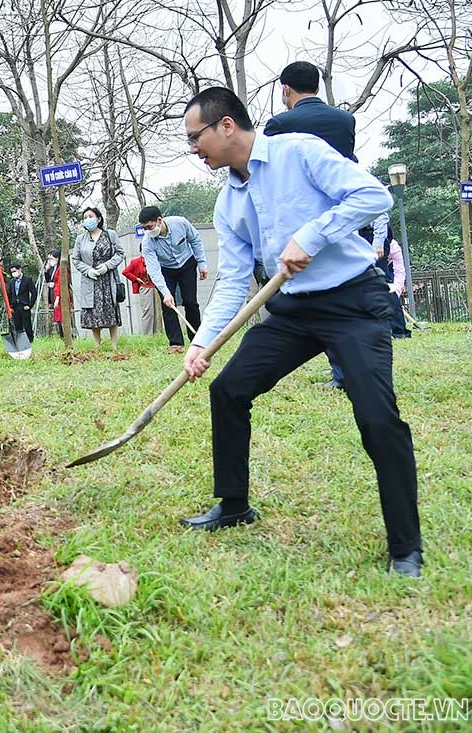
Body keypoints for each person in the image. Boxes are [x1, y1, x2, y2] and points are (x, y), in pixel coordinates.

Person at [179, 86, 422, 578]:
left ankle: (406, 547)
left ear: (226, 125)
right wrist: (203, 341)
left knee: (377, 417)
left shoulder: (300, 151)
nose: (193, 148)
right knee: (228, 389)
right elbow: (232, 280)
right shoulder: (228, 201)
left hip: (353, 302)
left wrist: (312, 234)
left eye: (195, 137)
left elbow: (373, 196)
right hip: (291, 312)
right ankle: (233, 505)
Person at [265, 60, 389, 387]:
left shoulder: (280, 124)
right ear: (317, 86)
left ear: (285, 89)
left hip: (303, 225)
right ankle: (349, 369)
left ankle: (336, 368)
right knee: (344, 287)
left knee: (316, 294)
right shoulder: (344, 119)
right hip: (345, 217)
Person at [138, 206, 208, 353]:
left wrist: (202, 263)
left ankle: (197, 340)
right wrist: (165, 292)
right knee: (168, 305)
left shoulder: (180, 223)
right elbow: (153, 269)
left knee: (190, 302)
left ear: (159, 220)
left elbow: (195, 240)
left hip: (187, 263)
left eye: (149, 227)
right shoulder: (147, 242)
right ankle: (176, 344)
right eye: (144, 228)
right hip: (165, 270)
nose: (147, 231)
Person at [72, 207, 124, 350]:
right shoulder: (80, 239)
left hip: (108, 278)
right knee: (94, 312)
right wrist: (88, 270)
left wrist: (107, 266)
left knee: (110, 309)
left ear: (99, 218)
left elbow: (120, 253)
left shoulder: (110, 235)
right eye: (85, 217)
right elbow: (76, 259)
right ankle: (97, 344)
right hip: (91, 279)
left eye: (91, 216)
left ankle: (114, 344)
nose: (88, 219)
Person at [121, 256, 159, 336]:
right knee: (148, 311)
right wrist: (136, 279)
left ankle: (156, 333)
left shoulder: (154, 259)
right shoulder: (136, 262)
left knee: (156, 311)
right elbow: (125, 272)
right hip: (145, 287)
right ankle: (147, 334)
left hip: (156, 287)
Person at [6, 261, 37, 342]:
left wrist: (30, 305)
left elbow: (34, 293)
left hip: (24, 306)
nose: (13, 273)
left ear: (19, 270)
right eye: (12, 272)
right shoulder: (11, 282)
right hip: (15, 306)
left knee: (27, 325)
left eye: (15, 271)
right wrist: (10, 306)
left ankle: (30, 340)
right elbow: (9, 294)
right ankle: (20, 342)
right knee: (17, 325)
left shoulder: (27, 280)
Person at [43, 249, 64, 339]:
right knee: (57, 317)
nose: (50, 261)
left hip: (60, 294)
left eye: (51, 259)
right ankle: (61, 335)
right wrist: (46, 270)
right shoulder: (52, 269)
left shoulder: (61, 268)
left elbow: (60, 283)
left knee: (62, 316)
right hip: (52, 293)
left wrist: (58, 298)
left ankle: (65, 335)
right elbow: (48, 280)